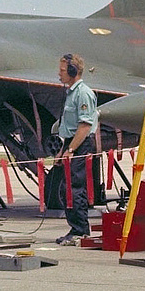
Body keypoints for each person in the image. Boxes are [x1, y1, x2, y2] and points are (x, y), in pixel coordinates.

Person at [55, 53, 99, 245]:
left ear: (73, 71)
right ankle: (75, 227)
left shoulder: (83, 94)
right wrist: (62, 149)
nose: (59, 74)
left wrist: (71, 150)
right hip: (72, 142)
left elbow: (85, 126)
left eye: (63, 70)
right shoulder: (72, 93)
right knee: (67, 186)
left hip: (80, 143)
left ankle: (81, 230)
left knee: (75, 186)